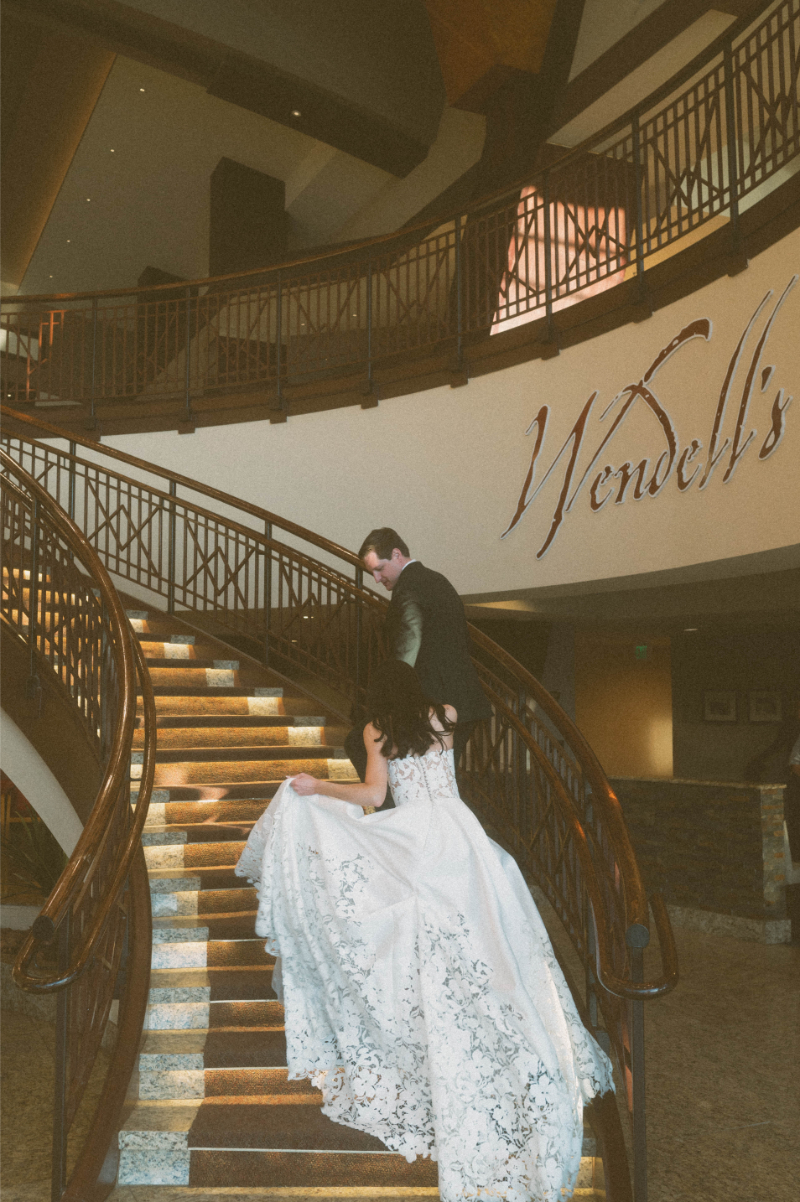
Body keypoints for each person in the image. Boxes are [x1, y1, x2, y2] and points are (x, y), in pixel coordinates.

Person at [235, 660, 615, 1202]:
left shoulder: (376, 729)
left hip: (415, 837)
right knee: (486, 936)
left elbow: (371, 796)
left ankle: (431, 1027)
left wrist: (316, 785)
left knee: (416, 934)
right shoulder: (447, 715)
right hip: (461, 834)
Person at [345, 527, 492, 792]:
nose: (377, 579)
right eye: (372, 573)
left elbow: (406, 652)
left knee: (358, 742)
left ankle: (394, 817)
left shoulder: (408, 589)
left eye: (380, 569)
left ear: (398, 554)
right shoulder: (437, 581)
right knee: (439, 783)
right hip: (464, 700)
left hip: (433, 702)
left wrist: (387, 705)